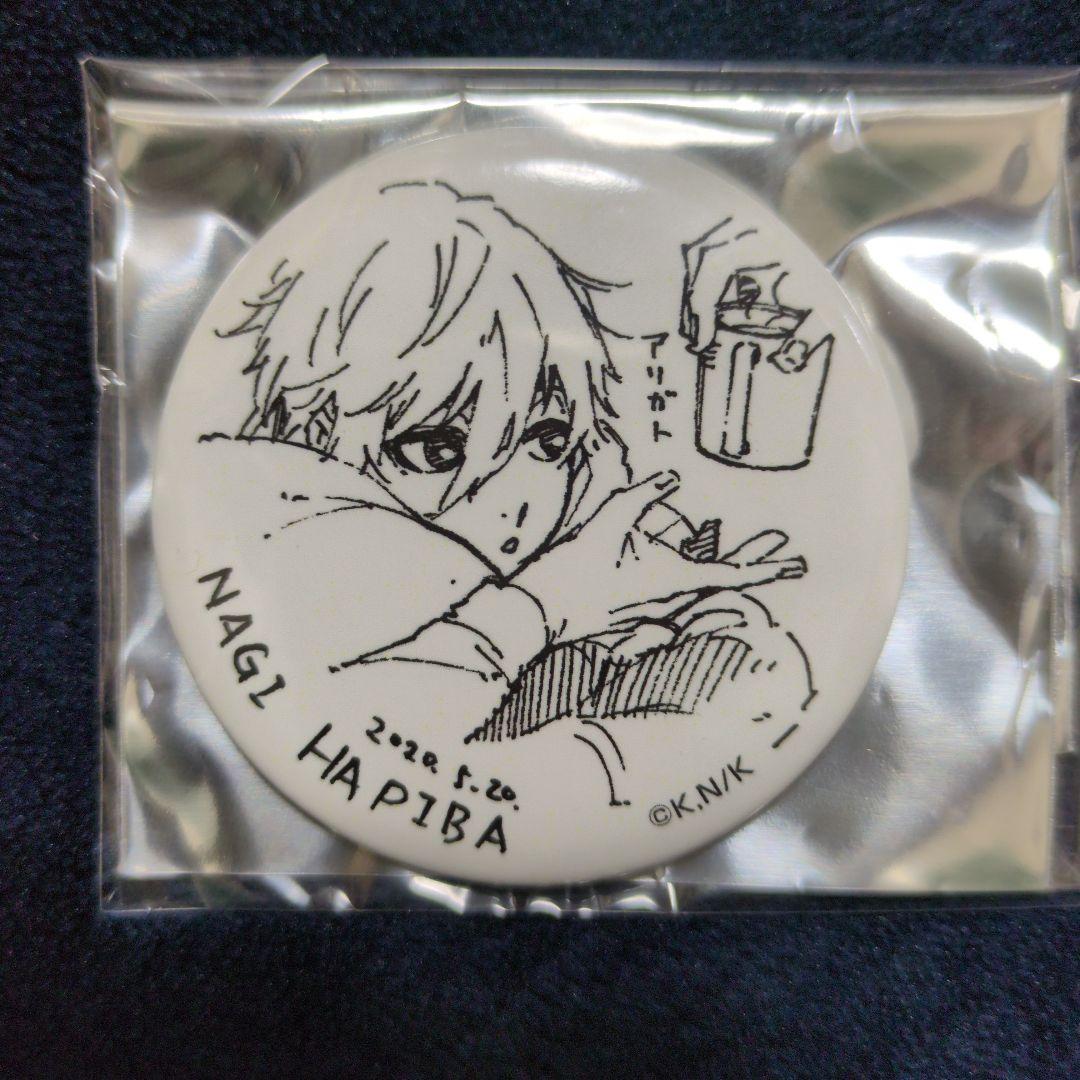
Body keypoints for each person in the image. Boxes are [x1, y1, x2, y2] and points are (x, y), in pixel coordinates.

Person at [201, 179, 811, 804]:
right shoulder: (302, 581)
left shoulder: (576, 540)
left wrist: (682, 608)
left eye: (548, 441)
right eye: (435, 451)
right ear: (312, 435)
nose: (513, 505)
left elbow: (750, 674)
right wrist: (549, 606)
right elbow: (419, 735)